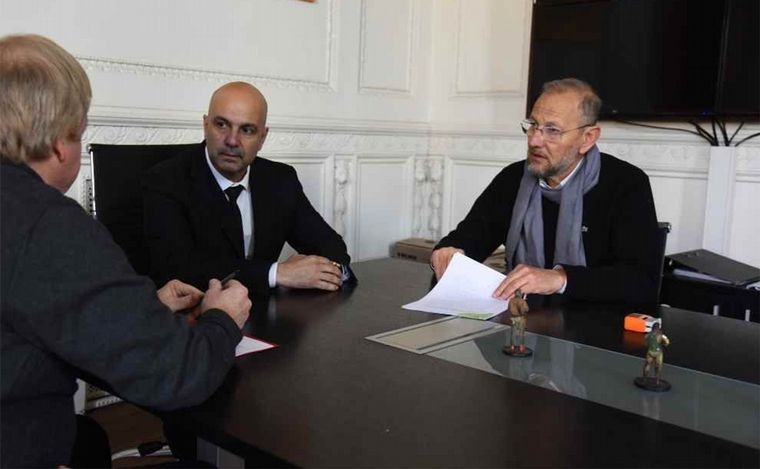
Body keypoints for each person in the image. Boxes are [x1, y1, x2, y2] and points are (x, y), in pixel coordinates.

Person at [0, 34, 251, 467]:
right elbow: (176, 374)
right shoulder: (47, 225)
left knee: (89, 441)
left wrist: (137, 310)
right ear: (61, 141)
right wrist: (222, 319)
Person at [431, 78, 660, 303]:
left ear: (587, 138)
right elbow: (469, 237)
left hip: (596, 321)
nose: (535, 141)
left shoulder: (626, 184)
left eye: (552, 130)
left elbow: (641, 282)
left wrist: (560, 279)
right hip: (522, 316)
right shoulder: (512, 179)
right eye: (533, 125)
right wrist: (448, 253)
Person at [142, 82, 353, 297]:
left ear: (262, 138)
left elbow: (331, 247)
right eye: (222, 125)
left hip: (266, 311)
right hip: (197, 313)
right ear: (205, 125)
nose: (232, 140)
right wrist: (277, 273)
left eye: (247, 130)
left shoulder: (280, 179)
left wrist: (320, 270)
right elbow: (177, 270)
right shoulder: (166, 180)